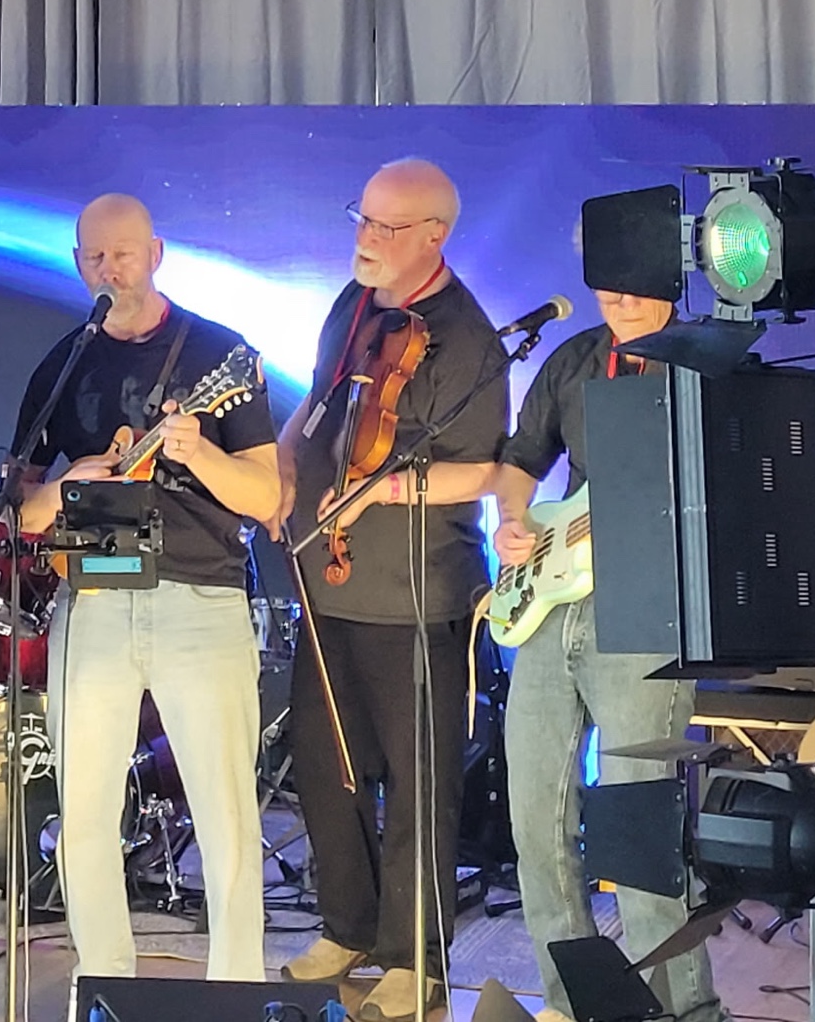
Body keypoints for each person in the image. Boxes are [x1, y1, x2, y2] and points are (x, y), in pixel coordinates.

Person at [15, 193, 280, 981]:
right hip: (93, 598)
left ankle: (235, 991)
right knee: (84, 813)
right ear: (77, 264)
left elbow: (267, 496)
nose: (110, 269)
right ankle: (104, 984)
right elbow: (22, 508)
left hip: (199, 596)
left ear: (156, 254)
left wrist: (201, 454)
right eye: (95, 257)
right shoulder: (63, 364)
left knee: (226, 816)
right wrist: (69, 483)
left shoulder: (220, 354)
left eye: (123, 253)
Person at [276, 159, 506, 1022]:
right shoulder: (353, 303)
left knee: (418, 786)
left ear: (434, 237)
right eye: (361, 219)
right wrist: (284, 469)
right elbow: (319, 403)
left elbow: (482, 469)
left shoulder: (469, 339)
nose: (365, 239)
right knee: (323, 764)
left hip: (415, 592)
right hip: (327, 576)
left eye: (385, 227)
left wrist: (383, 492)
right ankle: (348, 926)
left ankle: (415, 957)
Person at [494, 286, 727, 1022]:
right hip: (551, 607)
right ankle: (571, 1004)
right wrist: (512, 521)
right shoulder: (576, 358)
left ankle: (683, 1010)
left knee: (637, 831)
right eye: (606, 280)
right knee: (537, 826)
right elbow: (520, 460)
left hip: (647, 606)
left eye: (633, 281)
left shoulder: (703, 364)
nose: (618, 296)